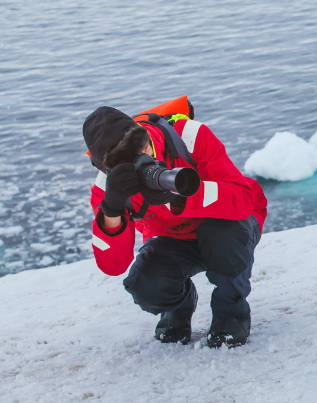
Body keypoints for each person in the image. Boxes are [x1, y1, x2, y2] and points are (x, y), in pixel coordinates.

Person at [82, 101, 267, 348]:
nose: (146, 158)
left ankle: (231, 313)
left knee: (226, 236)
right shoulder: (107, 188)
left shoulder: (189, 137)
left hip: (230, 225)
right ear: (105, 168)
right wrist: (112, 209)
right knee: (146, 285)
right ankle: (179, 305)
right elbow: (113, 265)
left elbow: (243, 201)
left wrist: (181, 197)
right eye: (130, 162)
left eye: (144, 147)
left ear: (145, 133)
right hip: (173, 238)